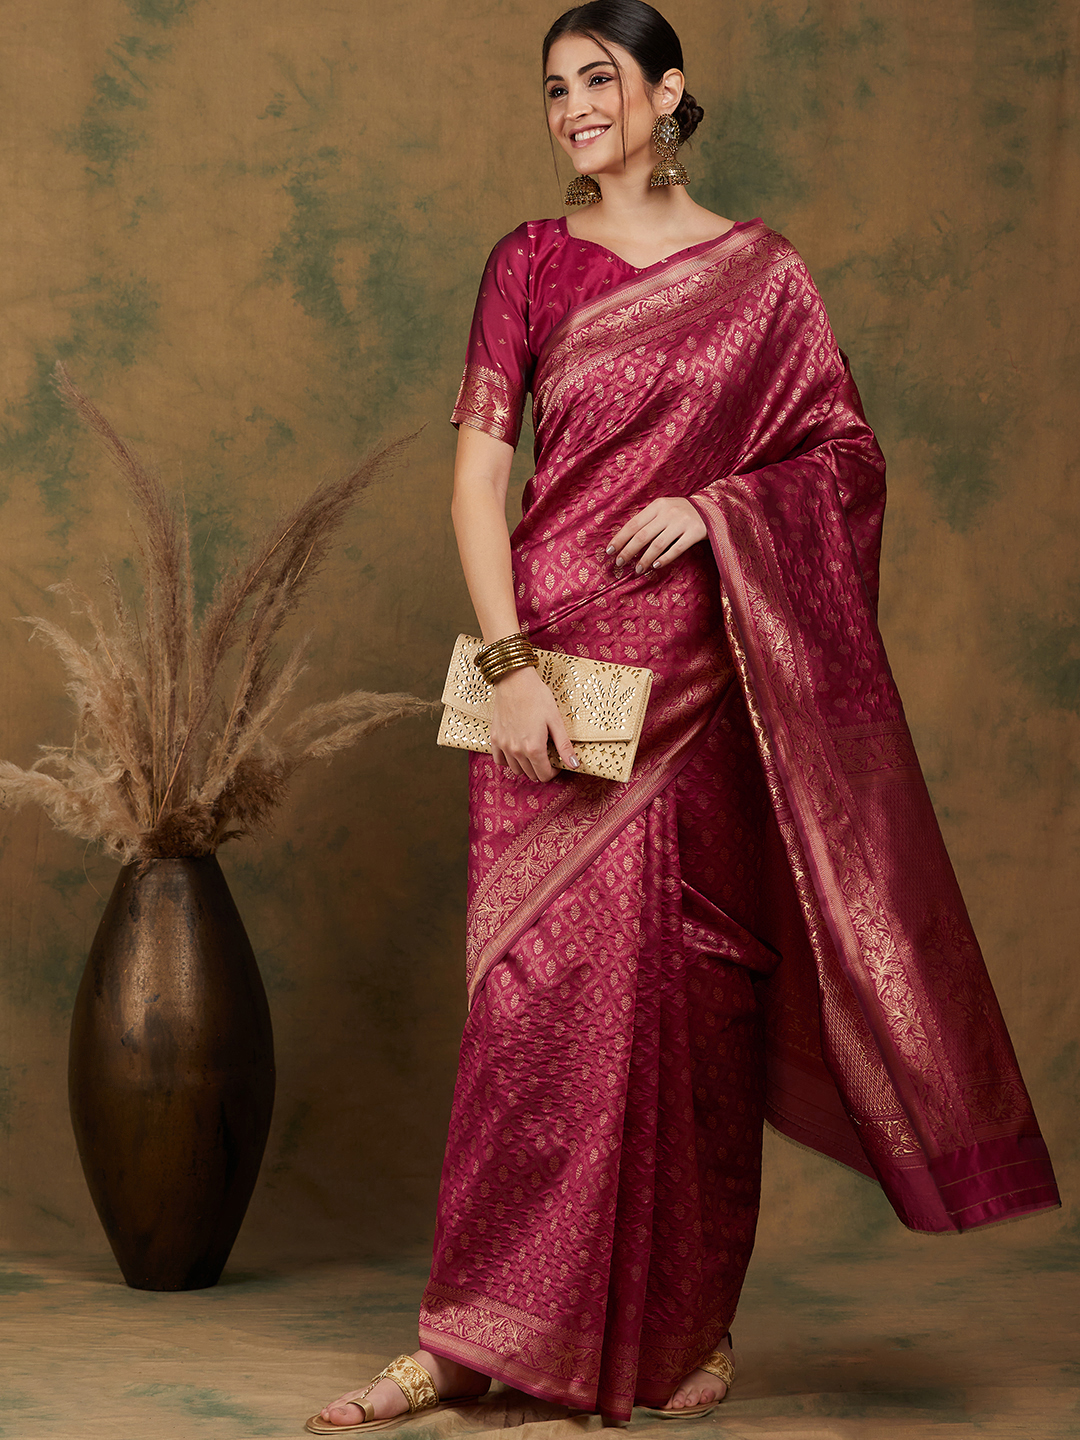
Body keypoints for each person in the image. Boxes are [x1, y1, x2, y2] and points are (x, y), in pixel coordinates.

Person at [307, 1, 1058, 1431]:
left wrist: (717, 510)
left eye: (600, 79)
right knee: (530, 1016)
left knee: (697, 1005)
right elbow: (476, 481)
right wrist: (509, 660)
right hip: (553, 681)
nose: (574, 107)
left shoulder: (764, 280)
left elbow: (844, 458)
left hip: (702, 690)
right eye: (554, 88)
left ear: (668, 93)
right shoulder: (528, 262)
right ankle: (464, 1341)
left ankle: (688, 1326)